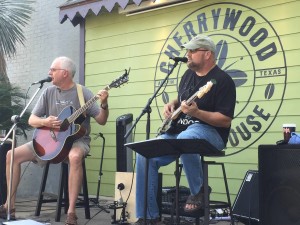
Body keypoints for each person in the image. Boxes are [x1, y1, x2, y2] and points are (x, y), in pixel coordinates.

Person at [132, 34, 236, 225]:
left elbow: (225, 120)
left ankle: (198, 191)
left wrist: (197, 114)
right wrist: (172, 104)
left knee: (187, 138)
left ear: (208, 54)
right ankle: (148, 217)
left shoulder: (223, 81)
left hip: (210, 133)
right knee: (144, 155)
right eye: (187, 50)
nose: (187, 54)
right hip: (179, 132)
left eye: (192, 50)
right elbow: (183, 100)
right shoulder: (188, 75)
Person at [0, 56, 109, 225]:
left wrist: (104, 104)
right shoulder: (48, 91)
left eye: (53, 70)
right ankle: (10, 206)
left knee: (74, 157)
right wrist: (45, 122)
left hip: (76, 141)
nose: (49, 72)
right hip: (49, 141)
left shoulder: (83, 93)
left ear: (65, 73)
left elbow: (102, 120)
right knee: (11, 155)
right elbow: (32, 120)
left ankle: (71, 212)